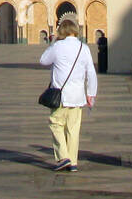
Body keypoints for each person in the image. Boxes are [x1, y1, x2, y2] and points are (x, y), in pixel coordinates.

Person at [38, 19, 97, 172]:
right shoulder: (83, 48)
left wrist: (53, 43)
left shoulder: (58, 47)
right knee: (73, 129)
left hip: (61, 96)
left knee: (56, 123)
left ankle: (63, 157)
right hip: (78, 97)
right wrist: (91, 93)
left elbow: (43, 60)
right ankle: (73, 162)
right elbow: (91, 72)